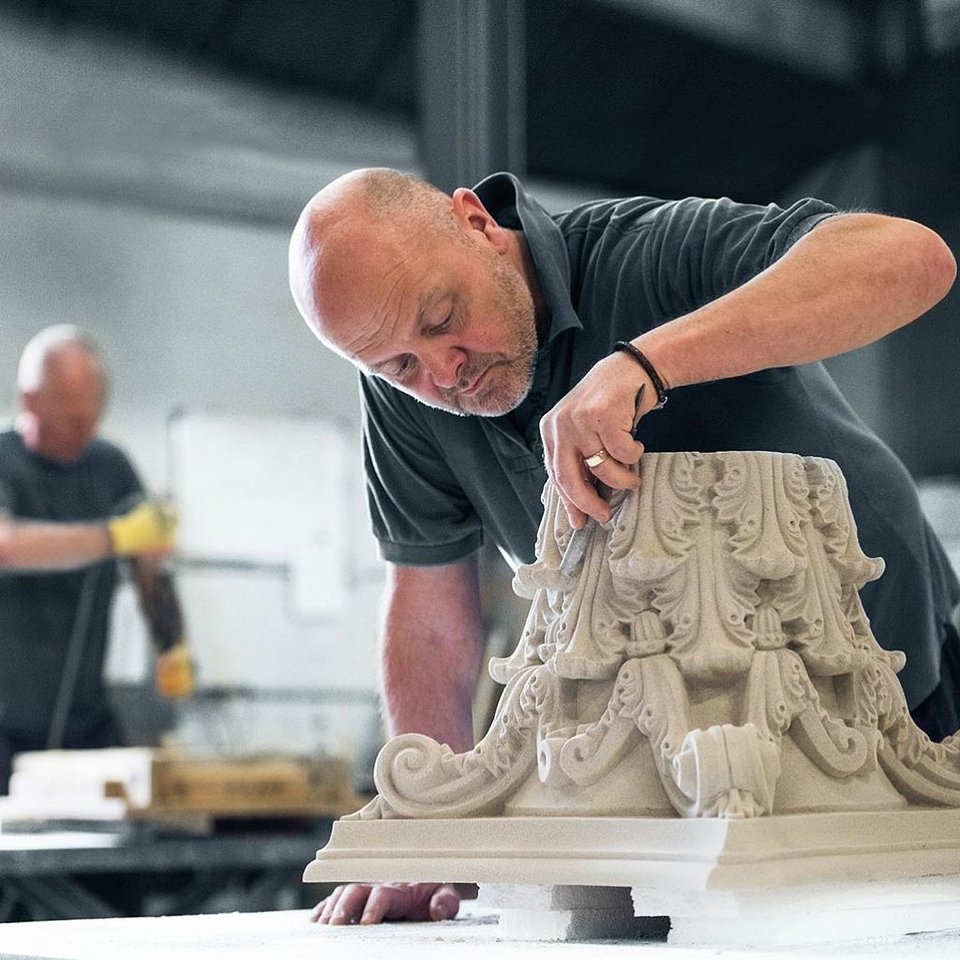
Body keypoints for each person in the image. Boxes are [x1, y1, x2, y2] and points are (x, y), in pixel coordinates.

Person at [288, 168, 960, 924]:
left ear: (475, 223)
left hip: (887, 689)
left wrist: (646, 362)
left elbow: (910, 259)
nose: (447, 372)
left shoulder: (646, 254)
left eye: (445, 316)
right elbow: (430, 612)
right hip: (634, 739)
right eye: (399, 365)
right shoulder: (404, 401)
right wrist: (428, 833)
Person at [0, 325, 192, 793]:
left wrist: (172, 646)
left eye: (92, 420)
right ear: (31, 401)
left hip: (84, 720)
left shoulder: (110, 467)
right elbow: (6, 546)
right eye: (71, 422)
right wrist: (113, 536)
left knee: (126, 852)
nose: (83, 435)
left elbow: (149, 571)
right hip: (5, 725)